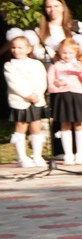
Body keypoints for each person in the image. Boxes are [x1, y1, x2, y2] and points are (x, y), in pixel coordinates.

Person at [44, 35, 82, 165]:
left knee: (79, 123)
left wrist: (80, 70)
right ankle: (68, 154)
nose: (67, 56)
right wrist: (58, 84)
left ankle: (80, 154)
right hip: (62, 97)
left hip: (77, 96)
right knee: (65, 124)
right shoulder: (55, 66)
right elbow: (50, 85)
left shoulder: (80, 65)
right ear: (59, 52)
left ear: (76, 52)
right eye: (64, 53)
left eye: (71, 53)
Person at [7, 33, 45, 168]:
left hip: (36, 100)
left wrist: (37, 94)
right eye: (14, 47)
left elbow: (42, 80)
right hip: (20, 101)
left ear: (29, 49)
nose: (16, 50)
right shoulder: (10, 65)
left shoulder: (37, 64)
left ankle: (37, 155)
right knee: (21, 127)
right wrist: (28, 95)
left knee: (36, 127)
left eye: (20, 47)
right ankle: (22, 157)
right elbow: (14, 82)